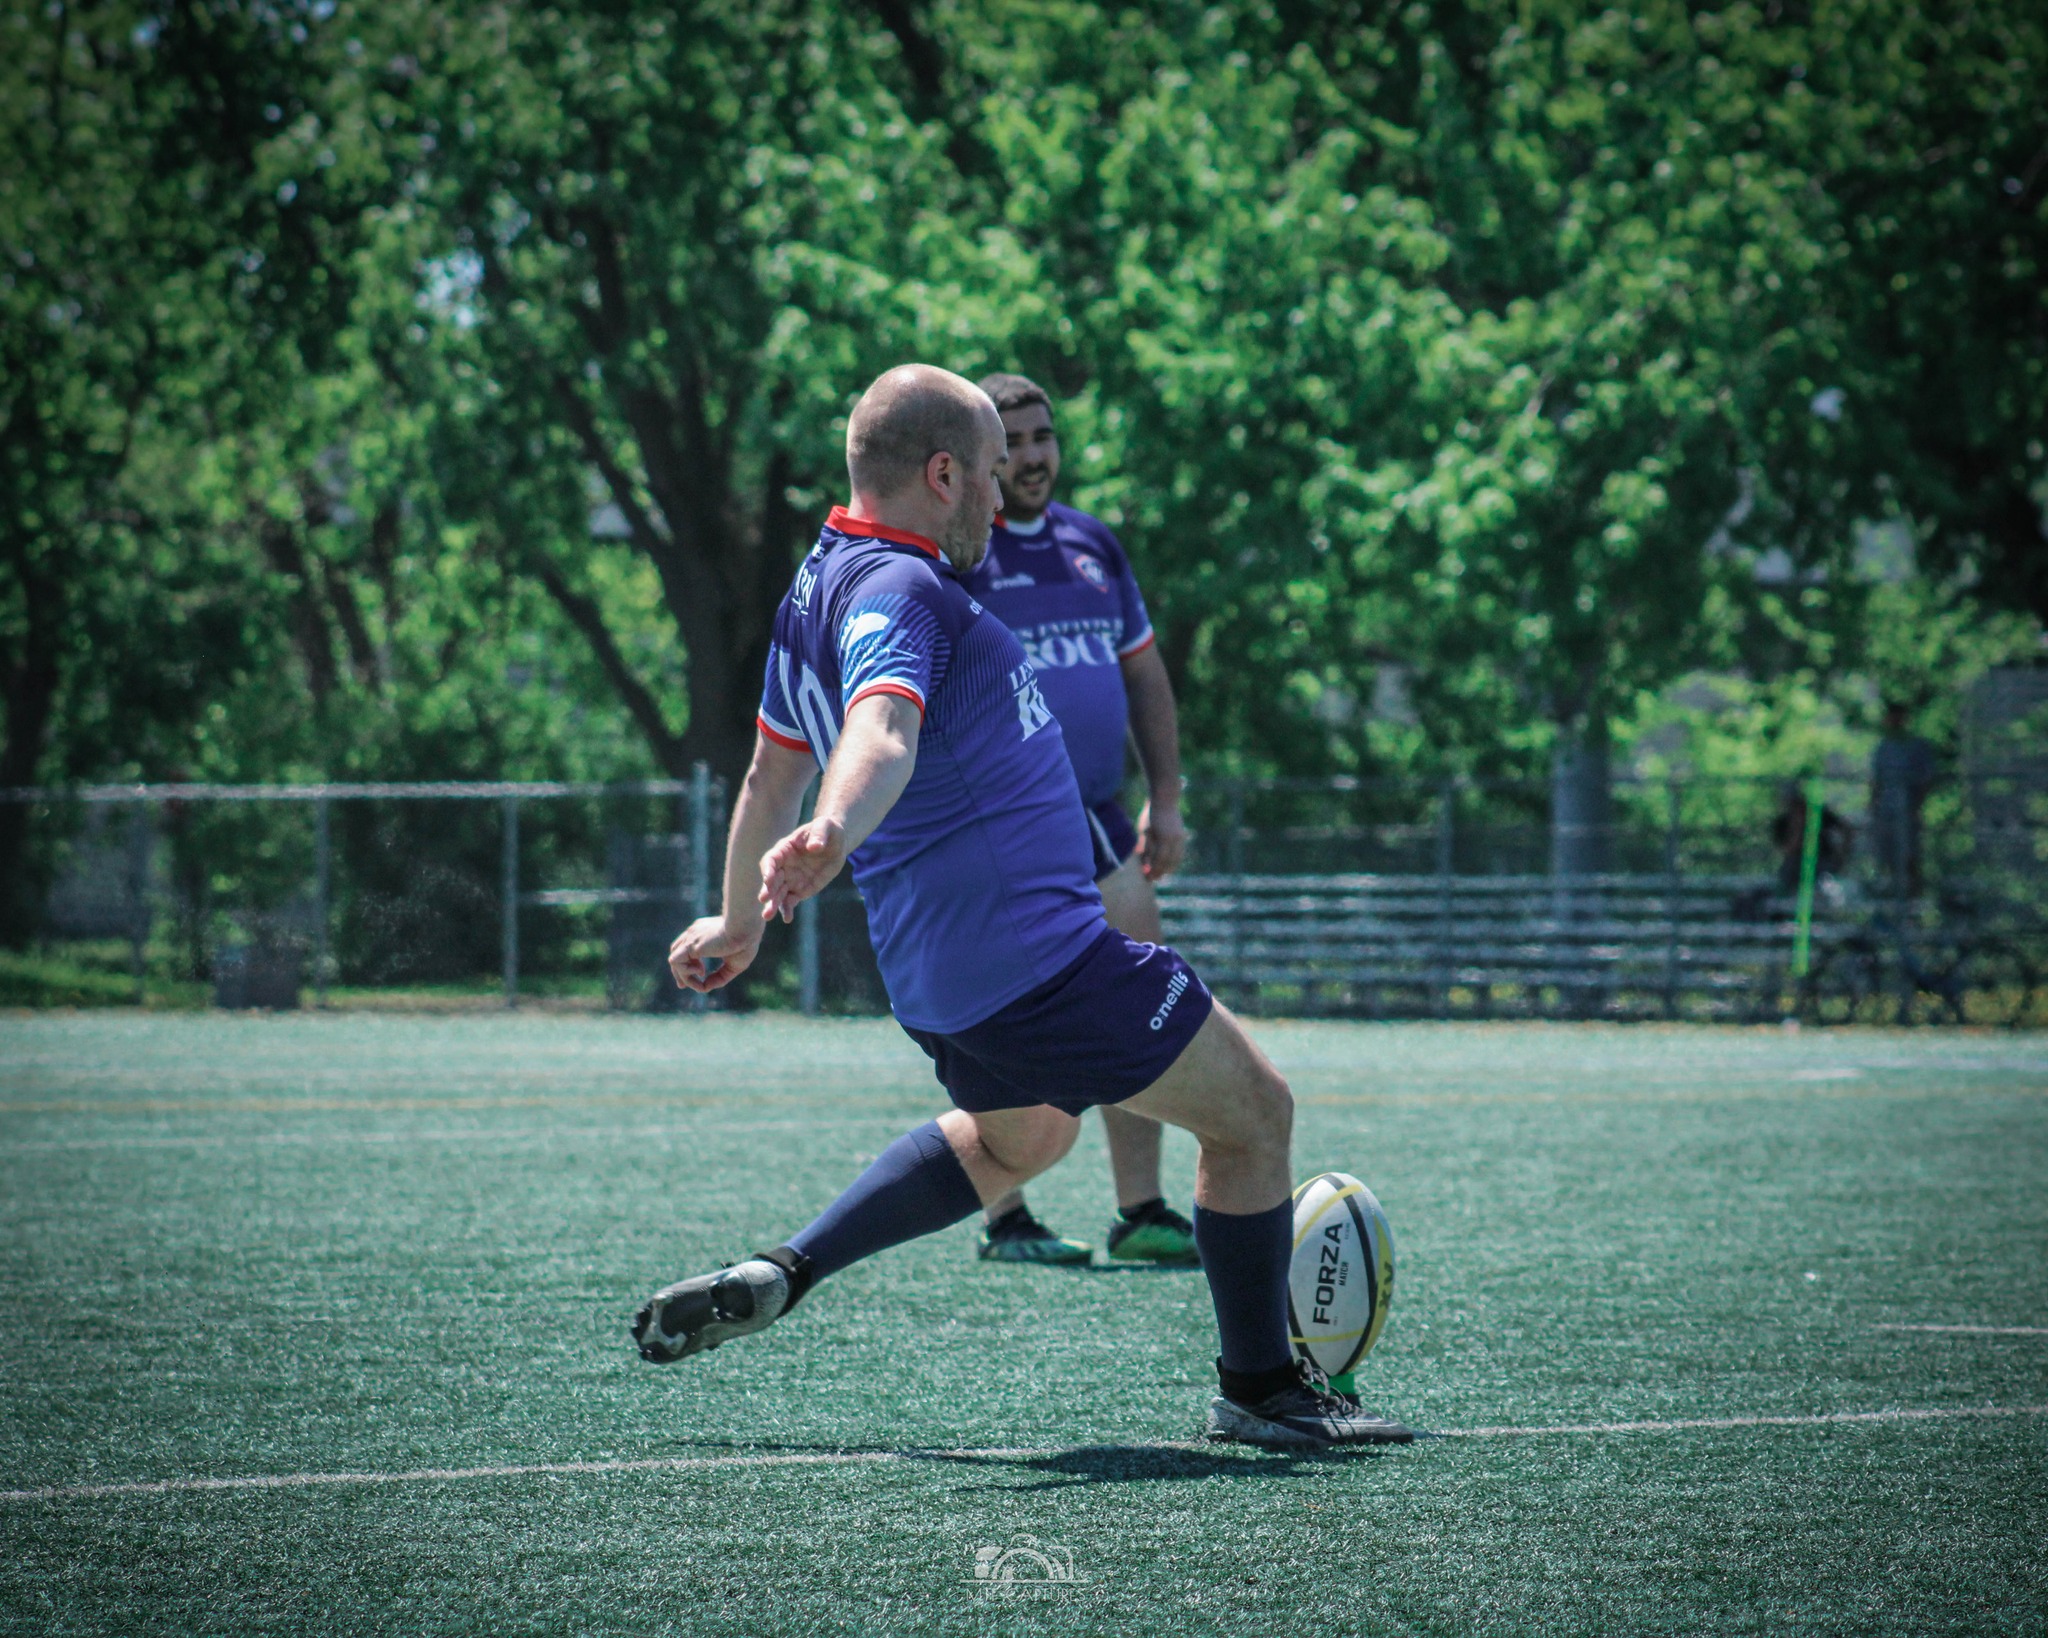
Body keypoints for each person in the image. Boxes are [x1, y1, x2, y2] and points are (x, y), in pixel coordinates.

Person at [634, 363, 1411, 1448]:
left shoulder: (814, 583)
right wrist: (836, 831)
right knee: (1255, 1118)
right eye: (993, 474)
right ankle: (1263, 1391)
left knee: (1020, 1143)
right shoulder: (899, 590)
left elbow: (768, 774)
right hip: (1041, 965)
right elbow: (881, 730)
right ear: (943, 473)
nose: (1003, 501)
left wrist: (737, 920)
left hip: (941, 988)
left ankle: (788, 1265)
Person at [957, 371, 1194, 1267]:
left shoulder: (1094, 546)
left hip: (1093, 811)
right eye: (1010, 441)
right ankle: (1006, 1217)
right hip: (999, 821)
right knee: (998, 1009)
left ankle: (1141, 1210)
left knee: (1141, 984)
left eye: (1042, 436)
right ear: (977, 454)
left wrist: (1164, 798)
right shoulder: (956, 555)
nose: (1031, 456)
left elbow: (1143, 676)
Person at [1870, 702, 1938, 899]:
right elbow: (1876, 781)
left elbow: (1927, 778)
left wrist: (1917, 805)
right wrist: (1873, 805)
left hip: (1907, 811)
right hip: (1885, 812)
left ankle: (1913, 900)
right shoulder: (1883, 747)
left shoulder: (1918, 745)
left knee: (1910, 855)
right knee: (1886, 855)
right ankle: (1890, 899)